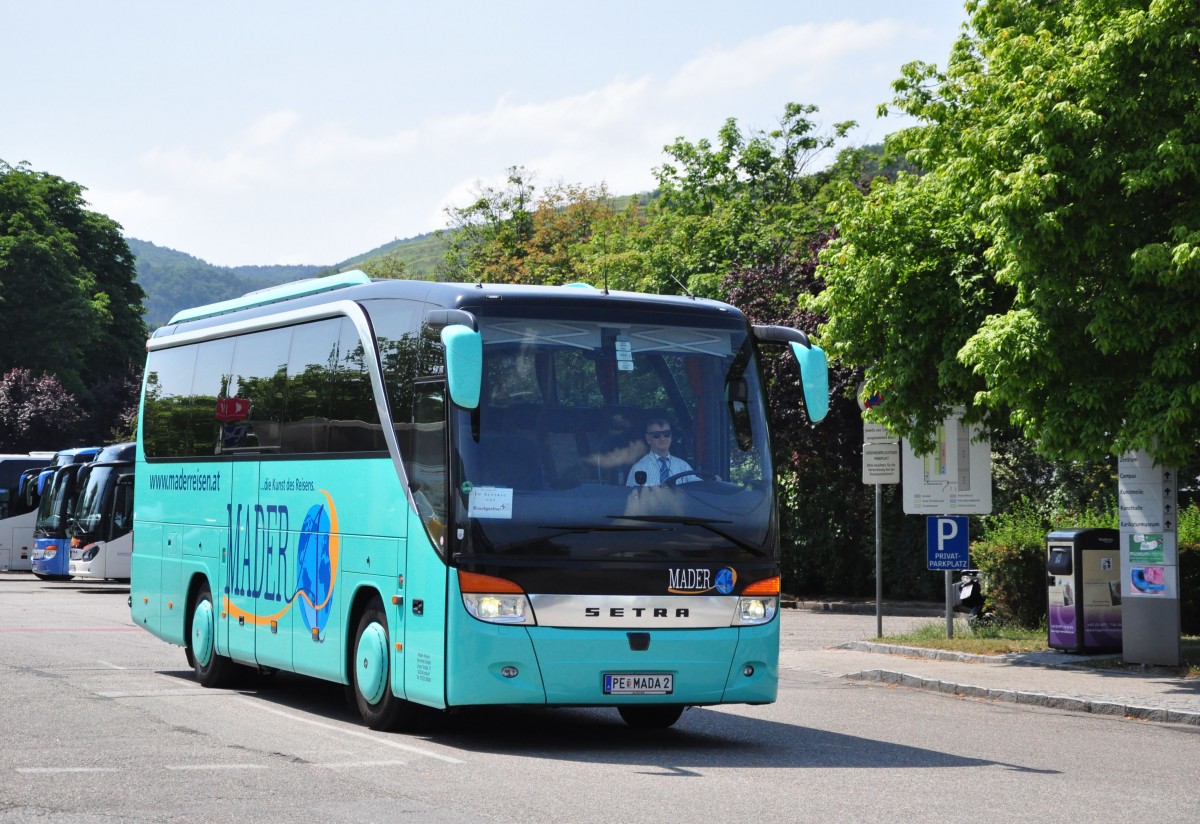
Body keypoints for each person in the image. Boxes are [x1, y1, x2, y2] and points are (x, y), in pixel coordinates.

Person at [626, 418, 694, 486]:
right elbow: (632, 495)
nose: (662, 438)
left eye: (666, 434)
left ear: (671, 437)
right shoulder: (639, 468)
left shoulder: (684, 466)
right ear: (648, 438)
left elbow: (699, 489)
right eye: (656, 435)